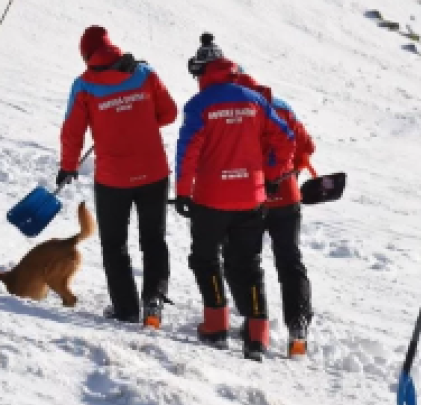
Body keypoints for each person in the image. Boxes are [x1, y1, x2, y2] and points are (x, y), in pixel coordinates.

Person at [174, 36, 295, 361]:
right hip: (250, 198)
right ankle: (257, 337)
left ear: (202, 72)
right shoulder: (254, 100)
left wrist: (182, 192)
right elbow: (286, 140)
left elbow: (187, 153)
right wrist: (271, 176)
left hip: (210, 198)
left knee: (205, 259)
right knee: (249, 265)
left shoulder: (198, 105)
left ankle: (216, 326)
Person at [59, 25, 178, 328]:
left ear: (86, 56)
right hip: (153, 172)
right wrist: (136, 118)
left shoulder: (84, 85)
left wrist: (69, 164)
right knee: (153, 240)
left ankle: (126, 309)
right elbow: (169, 113)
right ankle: (153, 302)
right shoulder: (144, 73)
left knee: (115, 245)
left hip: (114, 179)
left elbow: (73, 130)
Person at [227, 49, 317, 359]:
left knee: (243, 261)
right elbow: (307, 146)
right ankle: (298, 329)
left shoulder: (236, 112)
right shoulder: (281, 106)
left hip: (249, 196)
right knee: (289, 261)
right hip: (287, 196)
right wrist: (290, 170)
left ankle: (253, 324)